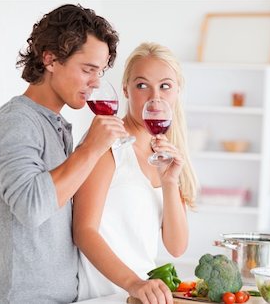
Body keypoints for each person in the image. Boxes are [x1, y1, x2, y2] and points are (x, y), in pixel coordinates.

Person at [0, 4, 128, 303]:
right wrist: (90, 149)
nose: (96, 82)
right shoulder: (16, 122)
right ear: (51, 59)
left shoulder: (55, 125)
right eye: (88, 69)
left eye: (100, 71)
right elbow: (31, 208)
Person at [73, 42, 198, 303]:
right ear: (125, 90)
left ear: (178, 91)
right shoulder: (109, 144)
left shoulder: (166, 155)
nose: (155, 97)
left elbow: (177, 247)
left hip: (143, 297)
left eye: (165, 86)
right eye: (142, 85)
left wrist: (169, 181)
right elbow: (84, 230)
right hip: (105, 296)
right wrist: (134, 284)